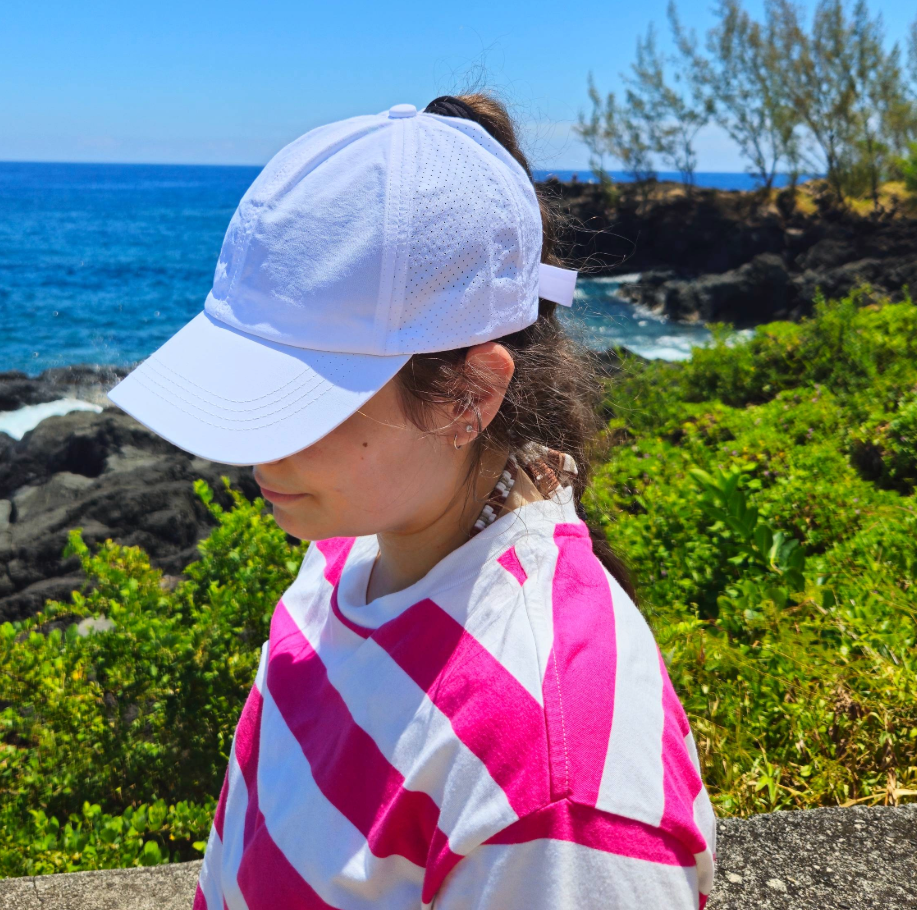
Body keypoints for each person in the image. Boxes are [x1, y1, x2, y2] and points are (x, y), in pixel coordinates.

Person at [108, 94, 716, 908]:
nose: (258, 450)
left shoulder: (549, 791)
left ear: (469, 396)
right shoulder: (350, 553)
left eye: (306, 406)